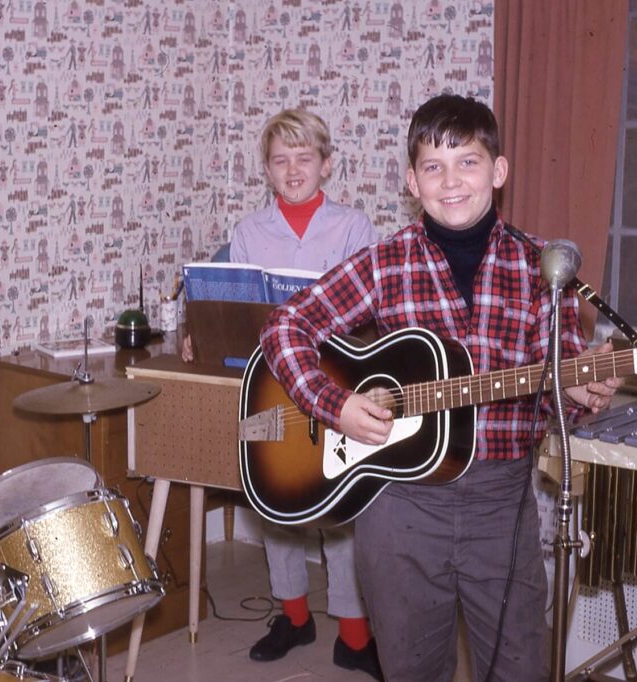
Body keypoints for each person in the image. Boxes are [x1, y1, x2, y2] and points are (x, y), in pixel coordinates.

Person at [257, 94, 620, 681]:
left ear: (498, 172)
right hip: (400, 506)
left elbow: (559, 391)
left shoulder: (540, 268)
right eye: (433, 166)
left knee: (520, 668)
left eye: (469, 163)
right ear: (412, 181)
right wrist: (336, 403)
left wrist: (578, 393)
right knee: (411, 670)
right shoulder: (384, 262)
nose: (452, 182)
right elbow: (287, 325)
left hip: (502, 506)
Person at [232, 109, 383, 679]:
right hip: (266, 388)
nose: (293, 170)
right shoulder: (248, 230)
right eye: (280, 160)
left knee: (341, 502)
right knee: (271, 495)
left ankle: (353, 632)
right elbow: (243, 313)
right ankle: (294, 616)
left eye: (304, 158)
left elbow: (370, 315)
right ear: (267, 170)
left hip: (335, 389)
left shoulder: (353, 226)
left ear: (326, 163)